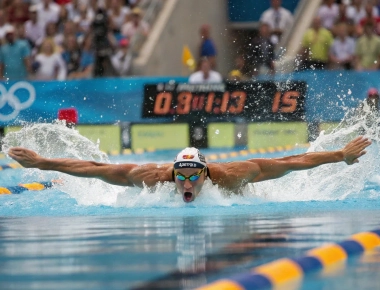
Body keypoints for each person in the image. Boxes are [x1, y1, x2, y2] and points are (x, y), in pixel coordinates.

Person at [7, 137, 371, 203]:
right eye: (180, 174)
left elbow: (293, 163)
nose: (185, 181)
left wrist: (341, 155)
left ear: (204, 172)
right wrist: (42, 162)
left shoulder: (232, 174)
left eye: (192, 175)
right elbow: (94, 167)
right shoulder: (153, 177)